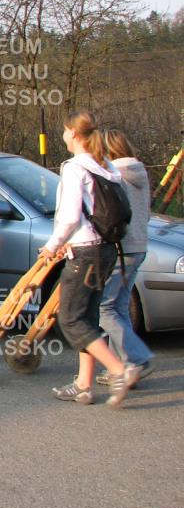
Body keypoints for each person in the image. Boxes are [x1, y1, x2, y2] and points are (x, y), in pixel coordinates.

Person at [42, 111, 141, 407]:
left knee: (70, 319)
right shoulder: (105, 165)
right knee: (88, 317)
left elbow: (71, 216)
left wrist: (53, 245)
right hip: (107, 249)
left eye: (65, 130)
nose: (63, 135)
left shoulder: (75, 168)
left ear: (73, 133)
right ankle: (84, 385)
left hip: (84, 252)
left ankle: (119, 370)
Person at [96, 129, 155, 384]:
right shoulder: (139, 171)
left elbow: (112, 214)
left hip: (123, 247)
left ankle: (138, 359)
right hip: (140, 245)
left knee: (104, 308)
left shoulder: (115, 175)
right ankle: (123, 368)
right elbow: (146, 213)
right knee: (119, 307)